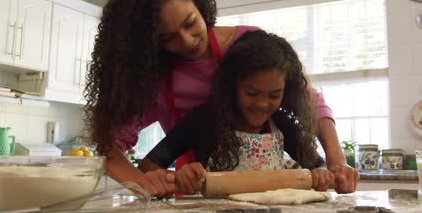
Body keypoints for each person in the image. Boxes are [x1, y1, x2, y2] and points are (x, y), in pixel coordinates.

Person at [84, 0, 358, 196]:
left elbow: (312, 102)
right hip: (196, 197)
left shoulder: (246, 44)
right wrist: (144, 183)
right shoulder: (151, 79)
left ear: (200, 5)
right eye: (168, 38)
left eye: (190, 23)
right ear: (149, 44)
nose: (188, 41)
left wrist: (336, 160)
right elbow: (111, 148)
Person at [139, 30, 335, 197]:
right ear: (233, 86)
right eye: (251, 93)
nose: (262, 104)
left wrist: (321, 175)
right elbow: (148, 166)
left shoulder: (282, 123)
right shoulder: (202, 120)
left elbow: (318, 166)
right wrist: (177, 177)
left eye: (274, 95)